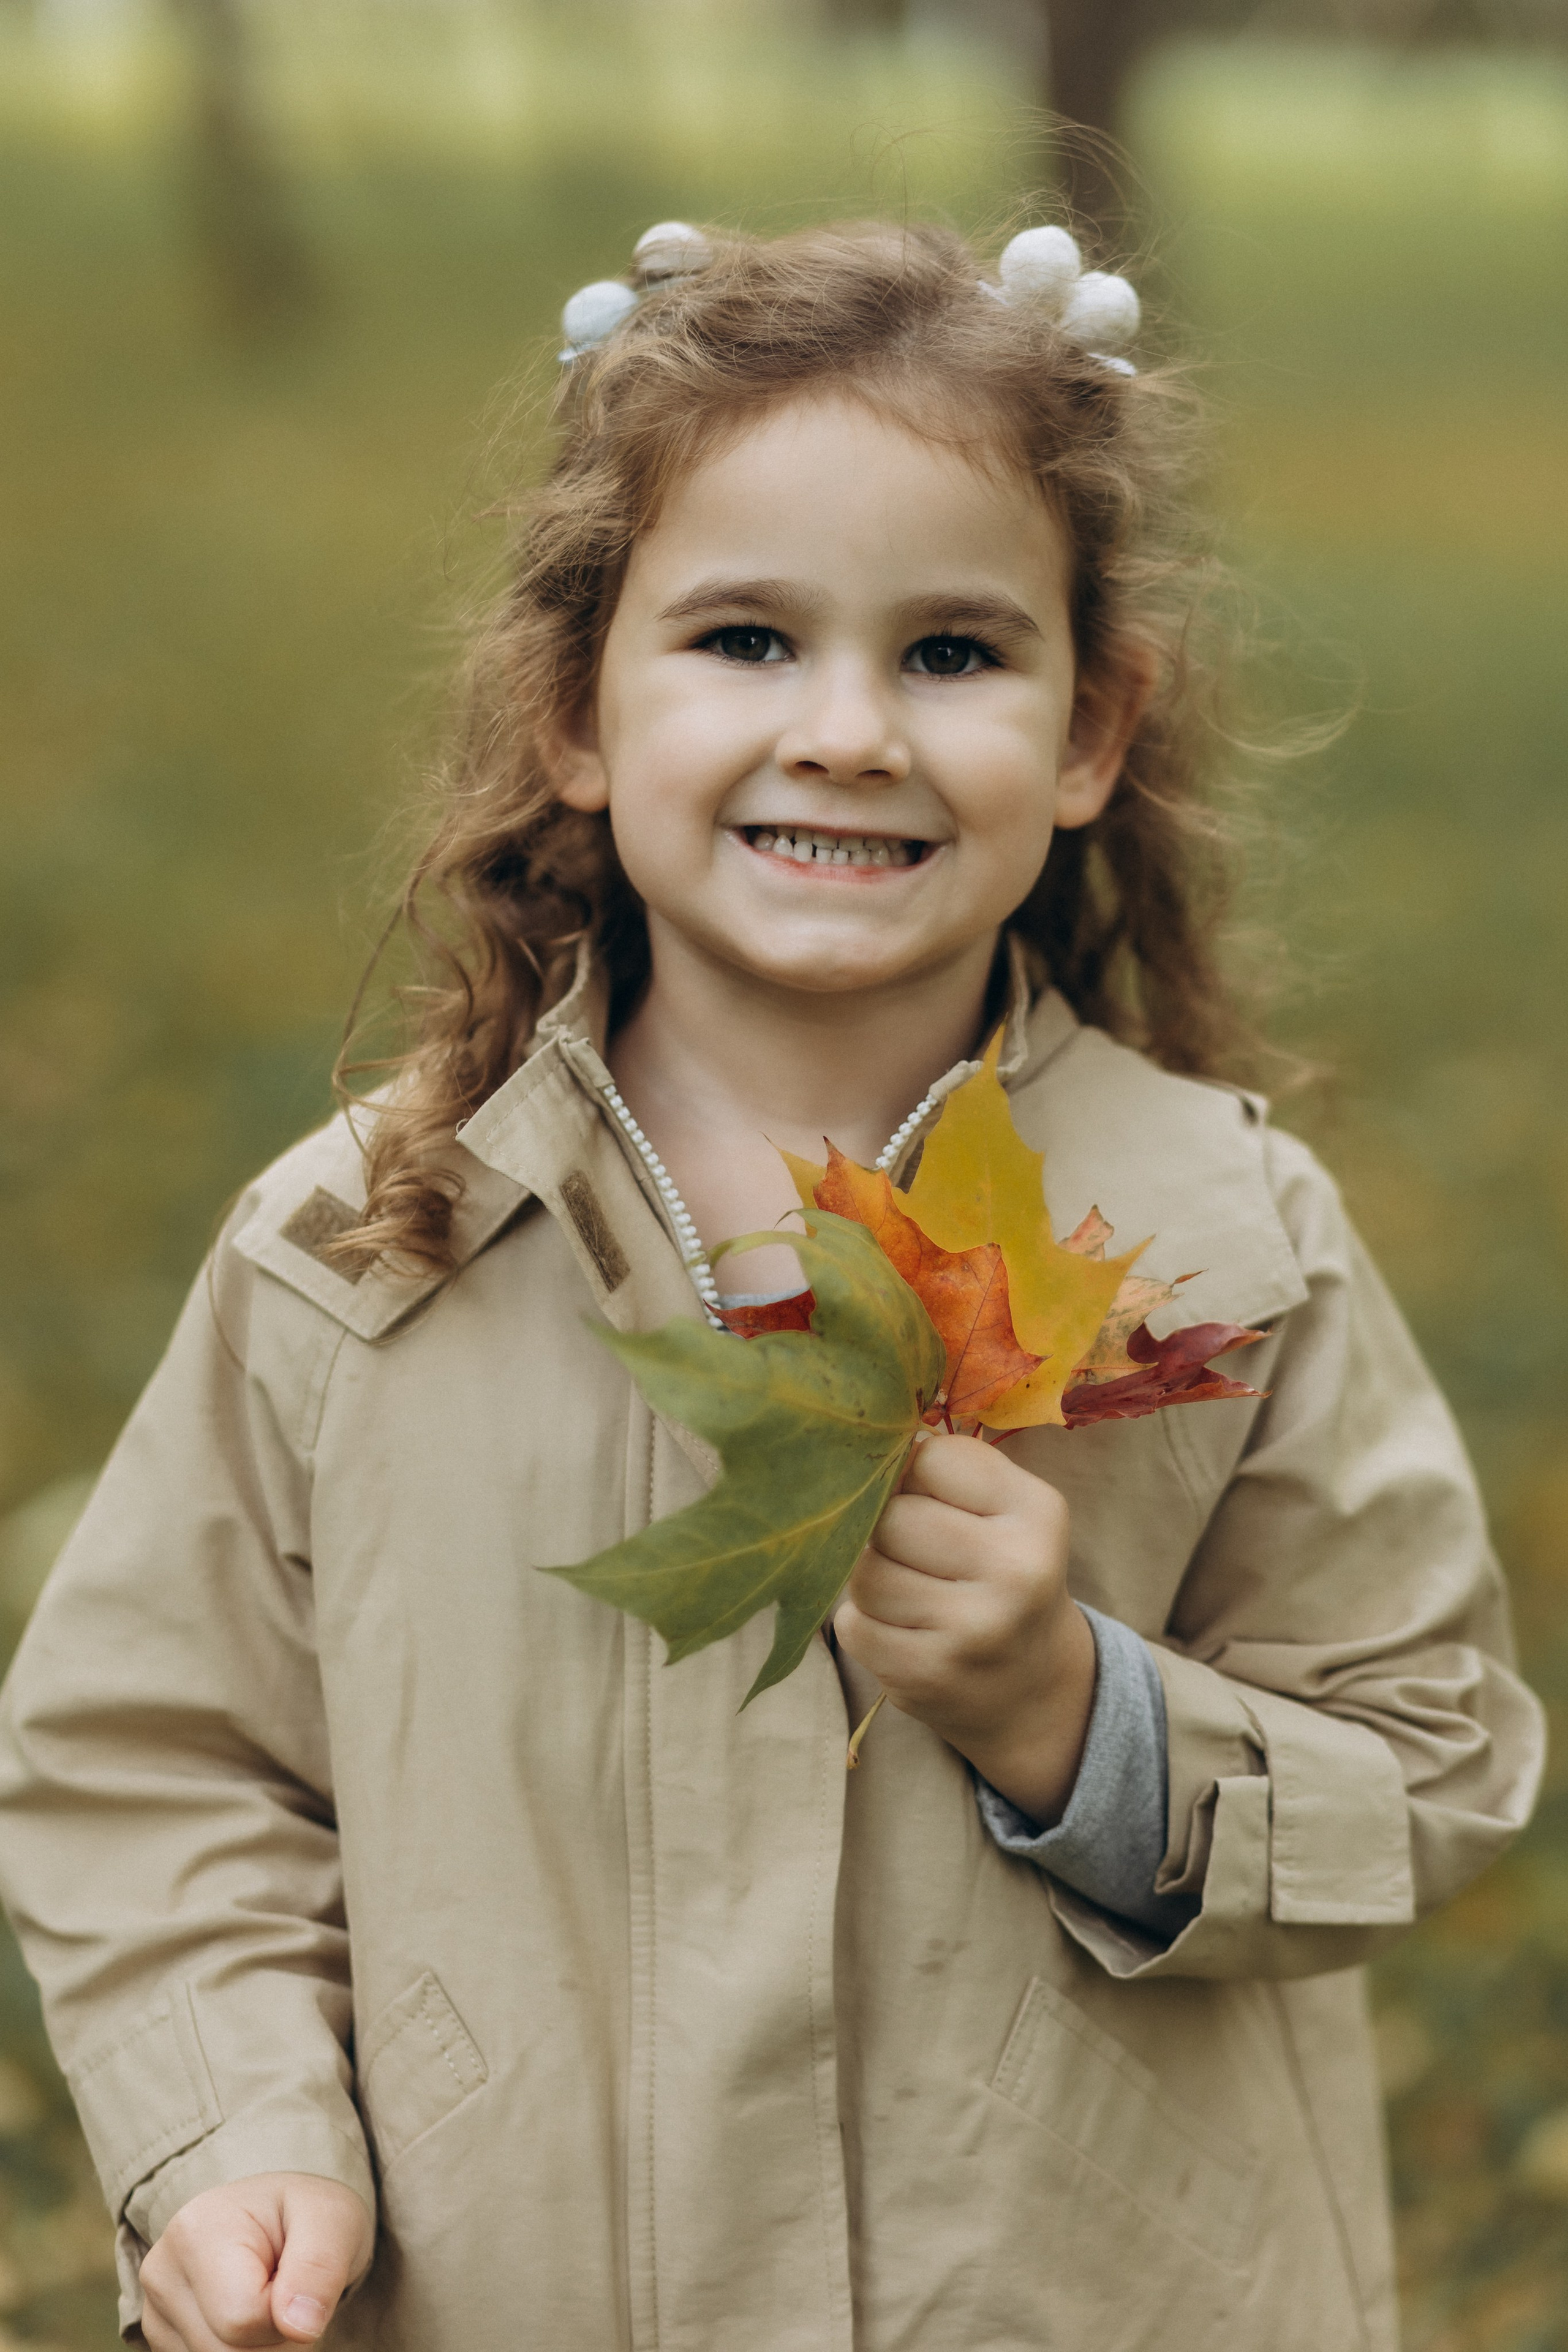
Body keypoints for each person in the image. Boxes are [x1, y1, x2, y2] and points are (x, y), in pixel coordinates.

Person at [0, 219, 1544, 2352]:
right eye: (743, 637)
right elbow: (151, 1760)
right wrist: (235, 2130)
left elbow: (1437, 1758)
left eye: (951, 654)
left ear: (1093, 729)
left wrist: (1075, 1720)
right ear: (575, 708)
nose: (845, 730)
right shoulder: (369, 1252)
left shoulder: (1216, 1239)